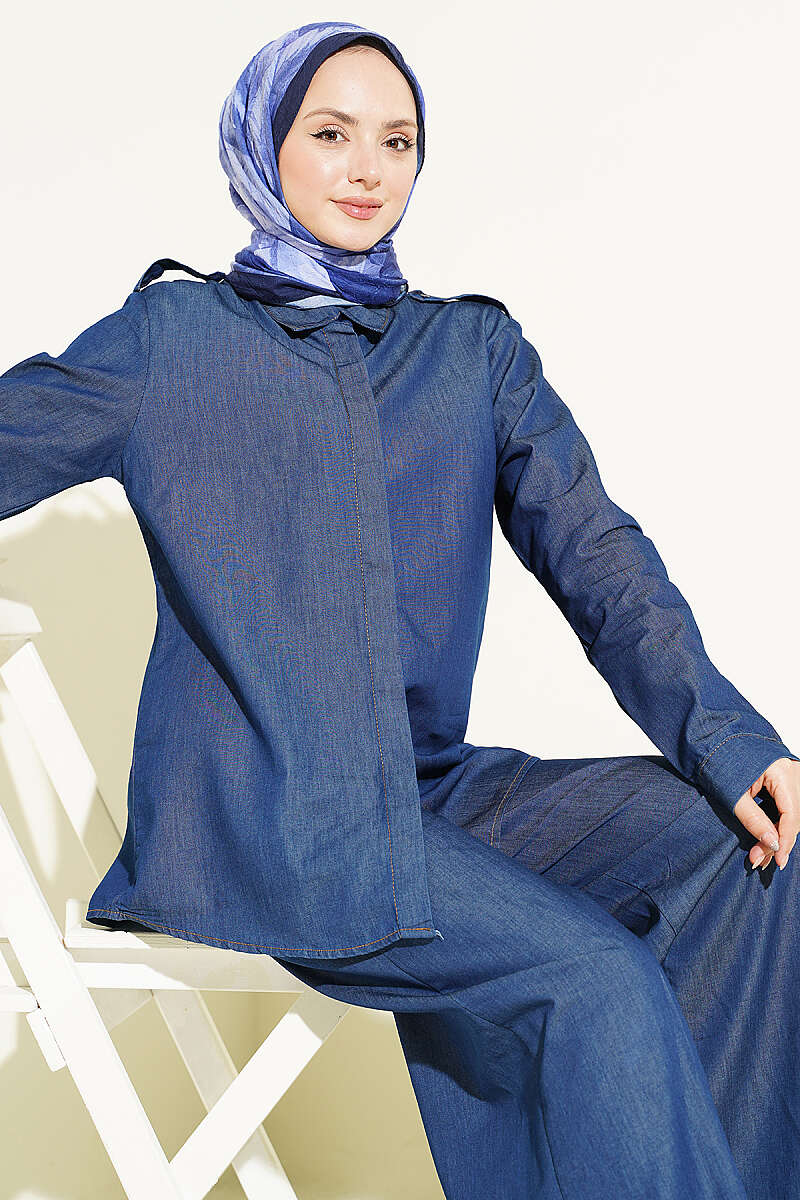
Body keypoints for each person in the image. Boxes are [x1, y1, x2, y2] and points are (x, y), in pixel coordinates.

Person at [1, 19, 797, 1199]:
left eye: (397, 141)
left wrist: (726, 738)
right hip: (271, 820)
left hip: (436, 798)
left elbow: (598, 560)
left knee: (744, 854)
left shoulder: (470, 352)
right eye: (330, 134)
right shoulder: (173, 343)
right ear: (265, 147)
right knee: (592, 978)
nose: (368, 169)